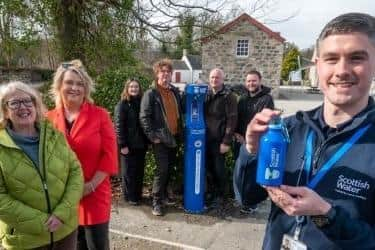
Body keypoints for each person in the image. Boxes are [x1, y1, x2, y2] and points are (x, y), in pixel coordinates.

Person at [234, 13, 375, 249]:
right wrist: (251, 151)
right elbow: (246, 198)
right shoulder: (290, 129)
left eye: (356, 58)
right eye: (331, 58)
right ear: (317, 65)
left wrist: (326, 215)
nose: (342, 70)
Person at [0, 81, 83, 249]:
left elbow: (75, 172)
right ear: (5, 111)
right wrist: (41, 223)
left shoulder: (54, 135)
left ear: (35, 105)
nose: (23, 107)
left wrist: (62, 213)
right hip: (26, 239)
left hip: (65, 231)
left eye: (27, 101)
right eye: (14, 103)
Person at [46, 60, 118, 250]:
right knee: (71, 245)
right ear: (60, 85)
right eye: (69, 82)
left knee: (97, 245)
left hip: (94, 193)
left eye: (80, 84)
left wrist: (90, 186)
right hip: (63, 197)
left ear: (86, 89)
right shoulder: (48, 119)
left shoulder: (100, 115)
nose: (74, 88)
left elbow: (110, 156)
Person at [140, 59, 183, 216]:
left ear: (171, 74)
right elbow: (144, 117)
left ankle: (164, 196)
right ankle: (156, 202)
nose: (165, 74)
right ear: (157, 74)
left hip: (174, 137)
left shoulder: (174, 92)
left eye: (168, 72)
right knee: (162, 170)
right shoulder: (151, 94)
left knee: (169, 168)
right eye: (162, 72)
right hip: (160, 139)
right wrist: (153, 136)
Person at [234, 70, 274, 214]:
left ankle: (251, 203)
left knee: (252, 173)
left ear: (260, 81)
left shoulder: (267, 99)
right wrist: (237, 133)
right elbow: (237, 118)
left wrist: (252, 138)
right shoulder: (243, 98)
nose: (251, 83)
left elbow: (265, 121)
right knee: (240, 171)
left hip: (258, 142)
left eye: (254, 81)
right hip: (241, 141)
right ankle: (241, 198)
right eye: (249, 81)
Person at [205, 68, 237, 208]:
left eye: (217, 78)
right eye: (212, 77)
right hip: (205, 139)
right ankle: (211, 193)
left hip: (219, 140)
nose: (214, 80)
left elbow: (232, 119)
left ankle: (222, 196)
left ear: (222, 79)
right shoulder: (206, 93)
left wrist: (226, 141)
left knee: (219, 169)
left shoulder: (228, 96)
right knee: (208, 168)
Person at [114, 79, 148, 205]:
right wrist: (122, 144)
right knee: (128, 172)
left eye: (136, 87)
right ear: (127, 89)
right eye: (131, 87)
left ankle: (137, 196)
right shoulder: (122, 105)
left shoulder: (141, 103)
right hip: (127, 146)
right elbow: (119, 126)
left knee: (139, 171)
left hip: (140, 145)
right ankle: (129, 197)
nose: (134, 89)